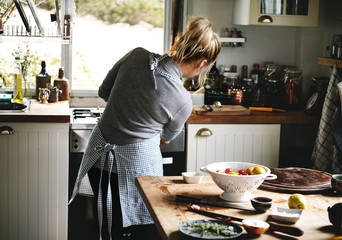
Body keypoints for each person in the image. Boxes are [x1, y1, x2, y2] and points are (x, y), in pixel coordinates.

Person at [69, 16, 221, 240]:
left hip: (98, 159)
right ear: (202, 63)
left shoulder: (136, 55)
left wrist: (128, 106)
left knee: (106, 227)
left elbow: (104, 92)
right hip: (135, 172)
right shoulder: (182, 101)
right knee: (137, 232)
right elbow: (165, 138)